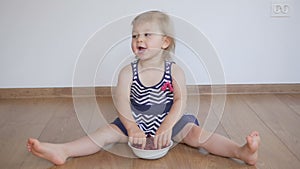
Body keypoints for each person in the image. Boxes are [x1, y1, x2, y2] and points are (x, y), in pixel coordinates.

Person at [27, 10, 260, 166]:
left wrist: (168, 126)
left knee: (198, 135)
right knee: (105, 133)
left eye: (147, 34)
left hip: (170, 120)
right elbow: (121, 103)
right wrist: (131, 127)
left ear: (165, 42)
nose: (139, 39)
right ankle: (64, 150)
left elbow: (180, 101)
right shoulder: (128, 72)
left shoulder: (174, 71)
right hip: (135, 120)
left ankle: (241, 152)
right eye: (135, 35)